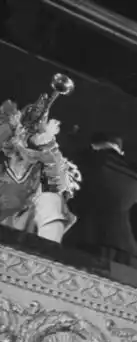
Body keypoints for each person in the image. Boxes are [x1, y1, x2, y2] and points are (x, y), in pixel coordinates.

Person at [65, 133, 137, 269]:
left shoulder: (78, 162)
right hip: (130, 255)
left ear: (93, 144)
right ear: (120, 149)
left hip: (82, 243)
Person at [0, 89, 80, 243]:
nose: (24, 135)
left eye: (32, 132)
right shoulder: (3, 161)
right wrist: (10, 126)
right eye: (22, 129)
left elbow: (59, 185)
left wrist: (49, 144)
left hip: (20, 243)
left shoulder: (40, 170)